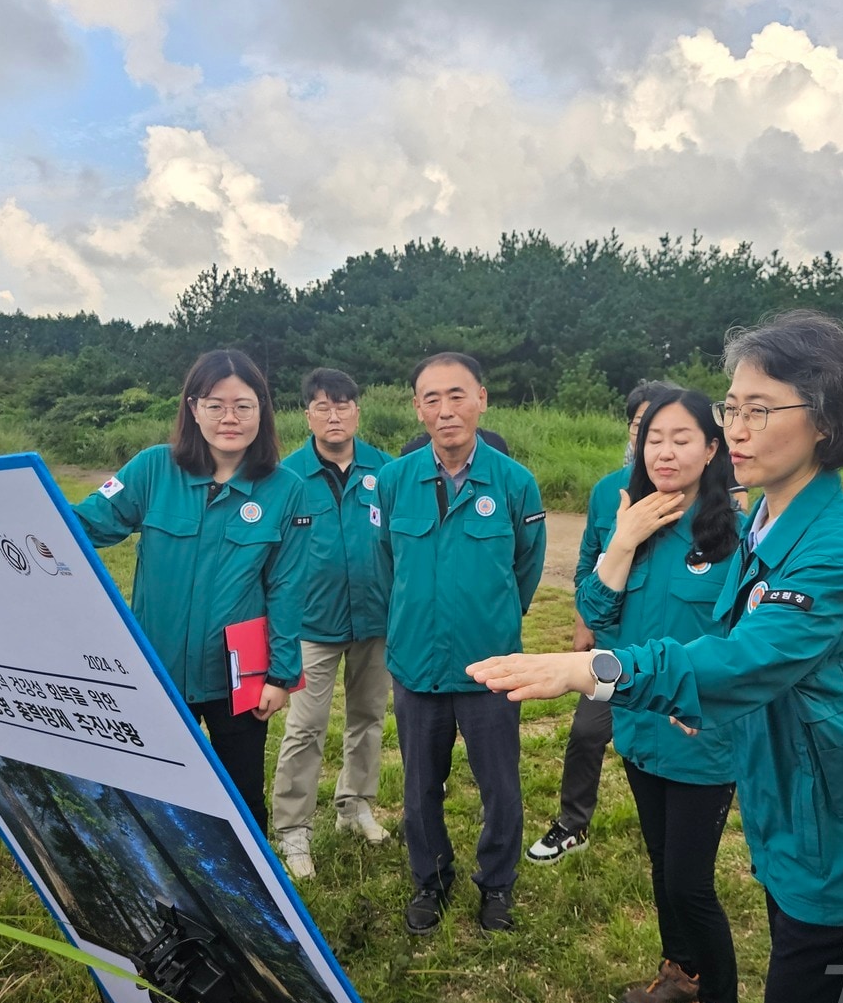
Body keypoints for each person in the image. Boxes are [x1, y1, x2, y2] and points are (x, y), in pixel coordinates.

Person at [469, 312, 843, 1003]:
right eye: (733, 409)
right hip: (793, 799)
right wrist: (700, 697)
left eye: (759, 410)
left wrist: (589, 667)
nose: (738, 429)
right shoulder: (769, 525)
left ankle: (721, 1002)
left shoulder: (830, 548)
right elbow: (725, 644)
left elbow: (742, 658)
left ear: (825, 422)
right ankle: (687, 973)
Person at [74, 349, 305, 833]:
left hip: (237, 679)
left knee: (243, 801)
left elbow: (287, 586)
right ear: (193, 407)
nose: (229, 417)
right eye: (215, 404)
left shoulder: (286, 489)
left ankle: (252, 901)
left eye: (244, 405)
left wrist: (281, 676)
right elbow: (83, 525)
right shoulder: (153, 469)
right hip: (156, 673)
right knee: (155, 798)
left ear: (262, 411)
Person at [574, 388, 743, 1003]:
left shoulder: (735, 532)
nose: (665, 451)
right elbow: (595, 615)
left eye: (681, 438)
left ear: (711, 448)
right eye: (653, 438)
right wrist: (621, 541)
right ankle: (680, 969)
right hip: (640, 726)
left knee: (690, 883)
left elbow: (743, 643)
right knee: (661, 863)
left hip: (700, 731)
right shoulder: (633, 518)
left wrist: (709, 696)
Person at [373, 352, 547, 934]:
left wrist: (491, 619)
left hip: (490, 665)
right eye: (431, 398)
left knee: (500, 784)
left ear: (481, 399)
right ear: (417, 408)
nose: (445, 410)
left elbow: (526, 569)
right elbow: (384, 567)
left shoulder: (515, 483)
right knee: (420, 786)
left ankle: (496, 886)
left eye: (457, 395)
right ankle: (432, 878)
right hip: (416, 664)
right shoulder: (394, 482)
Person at [527, 379, 678, 864]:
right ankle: (573, 823)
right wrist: (582, 624)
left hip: (676, 650)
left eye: (666, 429)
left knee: (674, 741)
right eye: (643, 428)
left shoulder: (702, 497)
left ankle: (676, 835)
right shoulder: (604, 492)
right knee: (589, 733)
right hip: (613, 648)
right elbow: (587, 561)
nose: (652, 440)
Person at [270, 368, 395, 879]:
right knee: (305, 727)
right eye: (322, 406)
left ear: (357, 412)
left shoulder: (386, 472)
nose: (334, 415)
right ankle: (293, 828)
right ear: (307, 415)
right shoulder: (285, 477)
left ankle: (355, 804)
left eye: (343, 405)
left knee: (368, 719)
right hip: (311, 625)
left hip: (376, 619)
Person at [400, 427, 509, 457]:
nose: (446, 411)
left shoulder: (495, 444)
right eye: (433, 400)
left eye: (456, 398)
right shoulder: (411, 454)